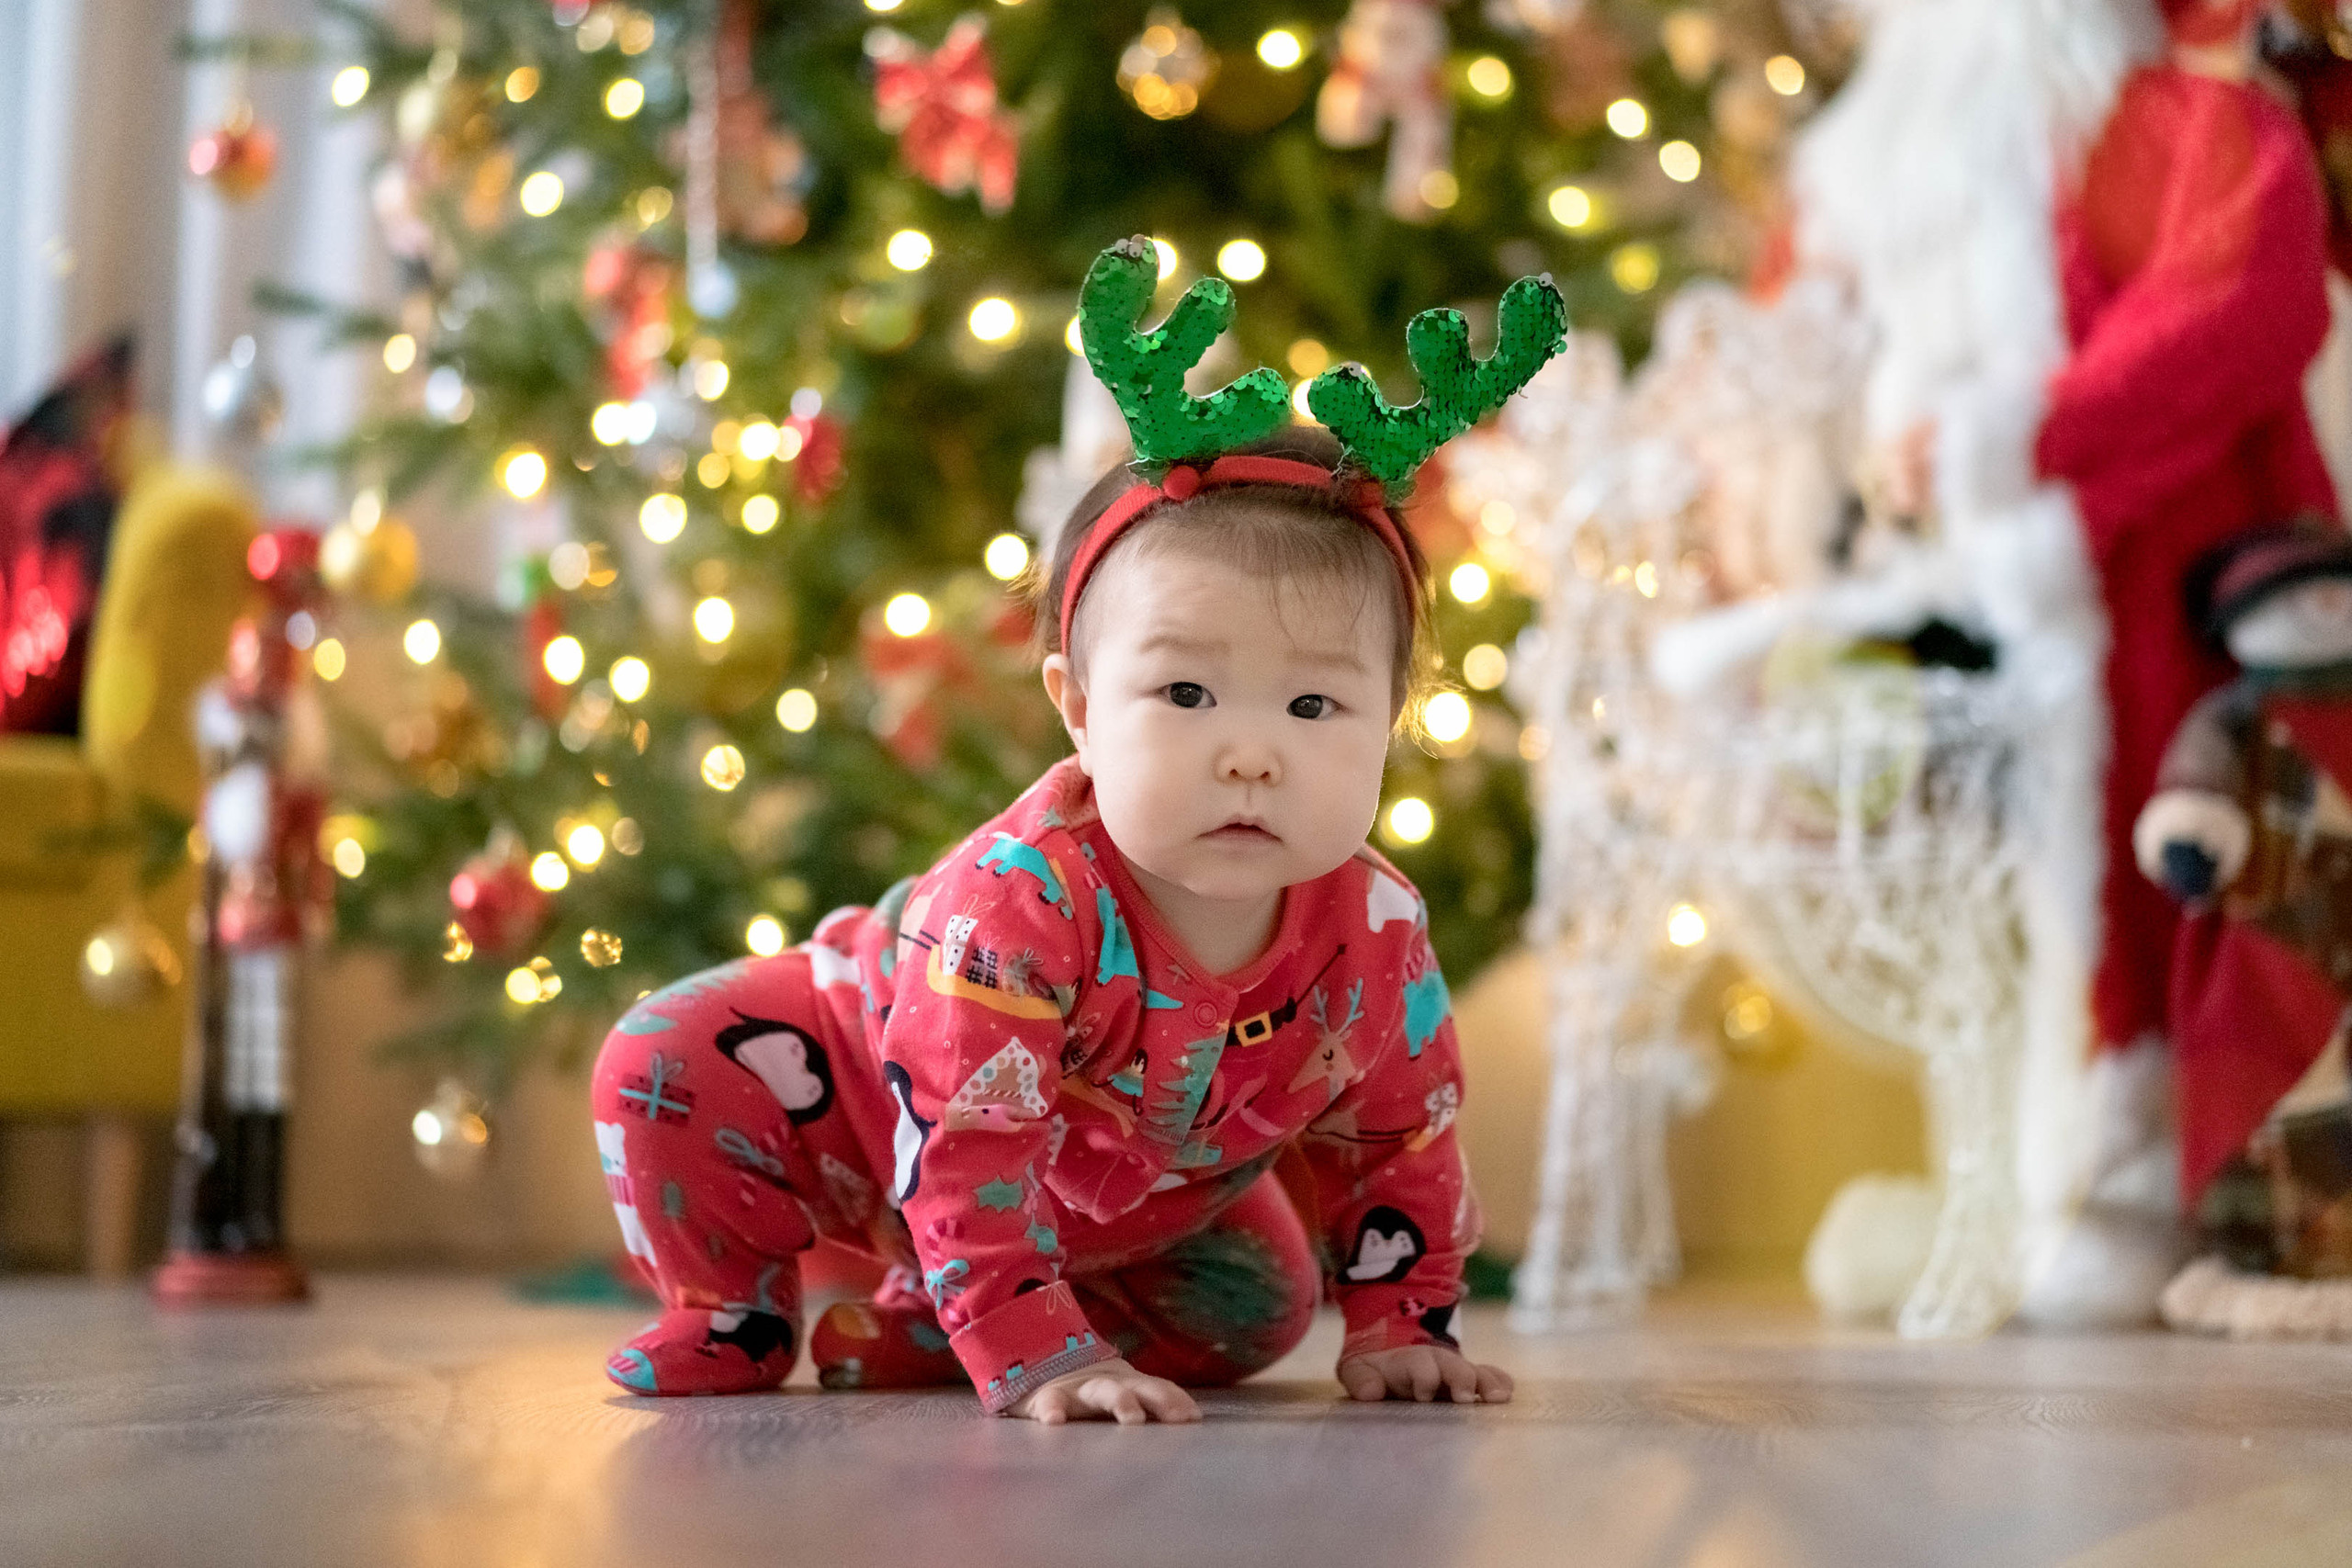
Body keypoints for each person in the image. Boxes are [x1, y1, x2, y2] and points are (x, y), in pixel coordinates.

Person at [588, 239, 1555, 1421]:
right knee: (663, 1056)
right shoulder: (1020, 902)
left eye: (1314, 707)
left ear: (1390, 721)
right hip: (869, 1103)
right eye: (1185, 694)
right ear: (1080, 711)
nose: (1250, 754)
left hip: (1127, 1202)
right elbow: (966, 1141)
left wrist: (1405, 1327)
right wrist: (1037, 1352)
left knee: (1259, 1309)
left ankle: (923, 1332)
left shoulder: (1376, 929)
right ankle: (729, 1312)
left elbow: (1399, 1137)